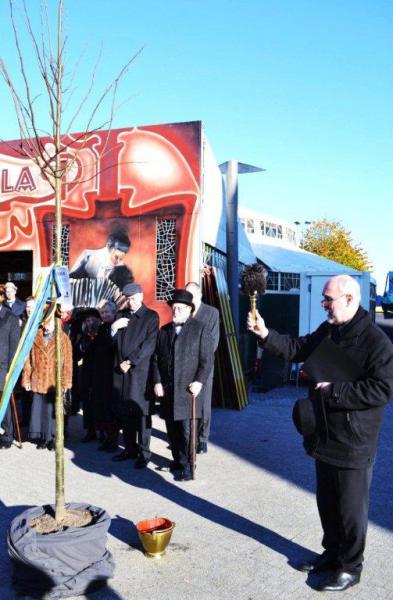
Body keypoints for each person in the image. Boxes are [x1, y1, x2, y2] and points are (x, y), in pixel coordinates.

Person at [247, 274, 393, 592]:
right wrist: (265, 334)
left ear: (351, 300)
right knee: (327, 501)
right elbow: (298, 348)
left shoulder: (376, 342)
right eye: (324, 299)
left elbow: (382, 389)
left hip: (354, 440)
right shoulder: (330, 330)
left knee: (350, 508)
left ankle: (351, 566)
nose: (324, 304)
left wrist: (334, 391)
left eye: (329, 299)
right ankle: (331, 554)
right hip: (324, 433)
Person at [153, 289, 214, 481]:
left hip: (189, 390)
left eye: (181, 308)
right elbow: (155, 359)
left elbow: (207, 361)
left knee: (188, 432)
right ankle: (178, 460)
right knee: (172, 429)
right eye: (174, 307)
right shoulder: (165, 330)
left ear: (189, 309)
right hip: (169, 389)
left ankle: (189, 465)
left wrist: (199, 382)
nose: (176, 311)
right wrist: (157, 382)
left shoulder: (200, 328)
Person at [111, 283, 159, 468]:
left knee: (142, 415)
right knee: (126, 414)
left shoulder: (150, 317)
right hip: (123, 375)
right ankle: (129, 449)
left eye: (132, 298)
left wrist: (130, 361)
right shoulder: (122, 316)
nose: (129, 302)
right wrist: (114, 328)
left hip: (140, 374)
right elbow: (112, 345)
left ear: (140, 296)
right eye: (127, 298)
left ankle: (144, 453)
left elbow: (149, 345)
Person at [22, 313, 72, 450]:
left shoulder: (63, 338)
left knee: (52, 412)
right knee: (40, 411)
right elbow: (28, 361)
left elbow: (67, 363)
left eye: (50, 322)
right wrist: (26, 379)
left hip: (54, 382)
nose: (47, 325)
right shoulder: (35, 337)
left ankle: (54, 439)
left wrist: (66, 383)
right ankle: (43, 438)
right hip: (38, 379)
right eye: (46, 322)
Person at [185, 281, 220, 453]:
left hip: (204, 364)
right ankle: (188, 435)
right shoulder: (184, 311)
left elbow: (213, 340)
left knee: (204, 402)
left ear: (199, 295)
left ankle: (203, 438)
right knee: (188, 401)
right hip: (186, 365)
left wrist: (199, 358)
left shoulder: (212, 313)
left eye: (191, 294)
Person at [88, 300, 119, 452]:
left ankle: (112, 441)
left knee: (111, 409)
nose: (105, 315)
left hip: (112, 375)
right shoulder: (102, 328)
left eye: (107, 312)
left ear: (114, 312)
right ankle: (106, 437)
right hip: (100, 374)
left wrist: (113, 330)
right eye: (102, 312)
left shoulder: (117, 327)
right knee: (102, 407)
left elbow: (112, 346)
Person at [69, 228, 134, 291]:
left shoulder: (124, 272)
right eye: (116, 257)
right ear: (108, 247)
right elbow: (71, 281)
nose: (118, 261)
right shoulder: (88, 258)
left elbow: (129, 291)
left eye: (121, 258)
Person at [0, 285, 21, 449]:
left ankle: (8, 436)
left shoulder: (11, 318)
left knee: (4, 403)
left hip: (3, 368)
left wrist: (10, 371)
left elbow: (14, 347)